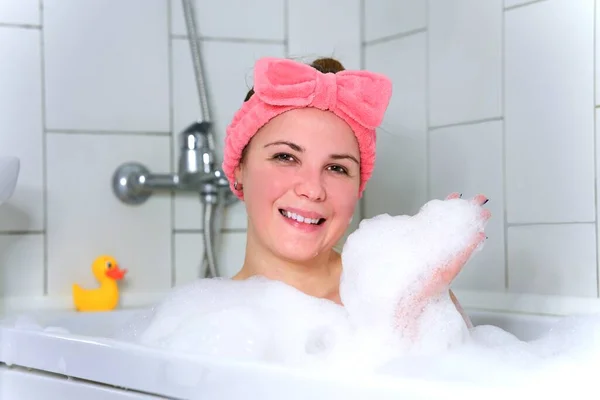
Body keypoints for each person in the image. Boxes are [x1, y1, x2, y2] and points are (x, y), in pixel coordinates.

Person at [222, 56, 487, 328]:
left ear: (358, 186)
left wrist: (409, 323)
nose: (313, 189)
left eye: (336, 168)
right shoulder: (206, 324)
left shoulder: (400, 293)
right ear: (239, 167)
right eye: (286, 157)